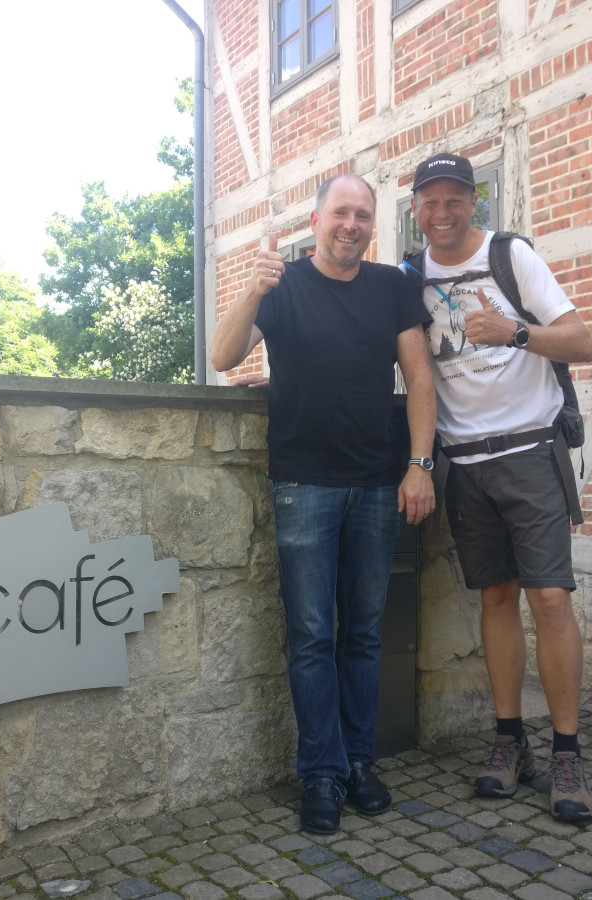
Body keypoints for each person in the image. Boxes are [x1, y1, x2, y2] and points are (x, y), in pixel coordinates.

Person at [210, 173, 438, 835]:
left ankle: (359, 763)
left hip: (376, 483)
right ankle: (321, 773)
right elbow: (225, 355)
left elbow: (419, 377)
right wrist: (252, 286)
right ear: (317, 221)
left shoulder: (391, 288)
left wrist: (419, 465)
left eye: (363, 215)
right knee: (313, 637)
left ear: (373, 225)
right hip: (303, 484)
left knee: (363, 634)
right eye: (341, 212)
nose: (352, 224)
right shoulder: (282, 285)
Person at [408, 152, 592, 823]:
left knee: (549, 598)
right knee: (495, 596)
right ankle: (509, 741)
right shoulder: (410, 276)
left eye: (454, 198)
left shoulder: (511, 256)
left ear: (473, 202)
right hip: (465, 461)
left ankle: (568, 752)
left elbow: (583, 341)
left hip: (530, 451)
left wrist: (515, 331)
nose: (443, 212)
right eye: (430, 201)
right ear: (415, 210)